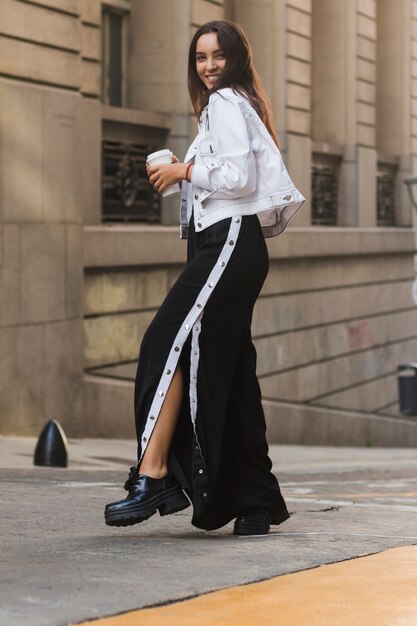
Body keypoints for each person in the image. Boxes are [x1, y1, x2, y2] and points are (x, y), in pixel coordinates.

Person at [105, 20, 304, 535]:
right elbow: (230, 174)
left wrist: (183, 172)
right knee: (231, 369)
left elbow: (238, 179)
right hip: (228, 245)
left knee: (162, 342)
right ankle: (256, 501)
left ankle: (155, 475)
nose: (209, 65)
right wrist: (184, 169)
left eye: (218, 56)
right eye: (200, 58)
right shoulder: (231, 107)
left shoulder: (224, 104)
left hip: (229, 244)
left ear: (235, 58)